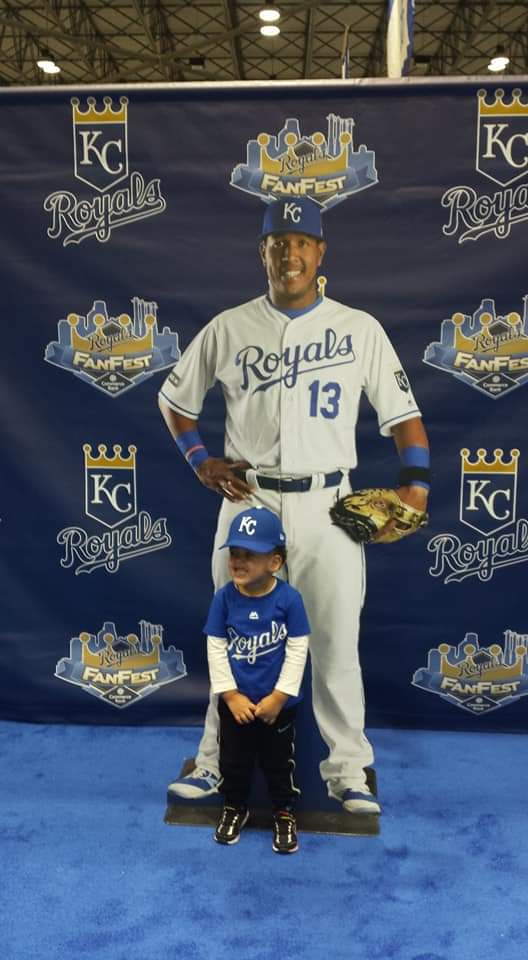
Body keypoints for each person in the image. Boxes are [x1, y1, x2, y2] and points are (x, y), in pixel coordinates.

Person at [158, 196, 430, 815]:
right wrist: (200, 460)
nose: (291, 254)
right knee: (231, 637)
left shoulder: (359, 329)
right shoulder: (230, 327)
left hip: (330, 502)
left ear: (321, 252)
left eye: (302, 242)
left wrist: (416, 484)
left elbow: (405, 417)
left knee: (335, 642)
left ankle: (349, 771)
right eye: (279, 243)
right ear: (263, 253)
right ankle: (211, 763)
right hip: (250, 498)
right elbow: (174, 400)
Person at [205, 505, 309, 853]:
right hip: (236, 704)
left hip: (278, 706)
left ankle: (284, 811)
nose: (238, 561)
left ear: (274, 562)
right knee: (233, 762)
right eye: (235, 553)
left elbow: (298, 649)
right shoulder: (224, 598)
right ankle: (235, 806)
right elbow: (216, 646)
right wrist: (230, 695)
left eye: (250, 554)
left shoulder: (289, 599)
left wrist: (279, 697)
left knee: (279, 764)